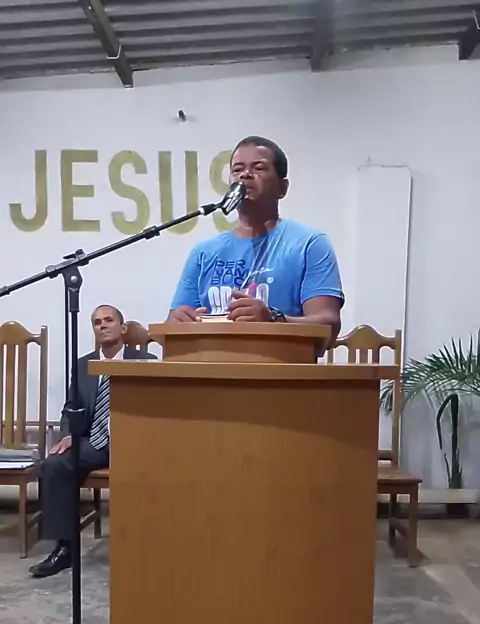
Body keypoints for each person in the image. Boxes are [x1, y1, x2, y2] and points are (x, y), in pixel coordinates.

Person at [168, 136, 344, 340]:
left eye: (258, 168)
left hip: (280, 359)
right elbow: (169, 329)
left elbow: (328, 325)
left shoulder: (309, 244)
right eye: (237, 169)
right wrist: (179, 322)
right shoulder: (204, 252)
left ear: (282, 188)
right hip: (210, 357)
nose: (245, 174)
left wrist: (273, 320)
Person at [29, 304, 156, 579]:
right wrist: (68, 435)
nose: (103, 325)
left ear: (122, 328)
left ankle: (147, 545)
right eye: (97, 322)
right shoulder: (83, 364)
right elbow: (71, 406)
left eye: (109, 320)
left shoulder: (145, 361)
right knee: (54, 464)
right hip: (95, 441)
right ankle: (65, 548)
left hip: (133, 442)